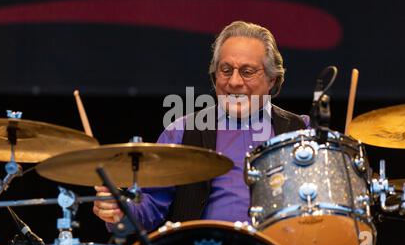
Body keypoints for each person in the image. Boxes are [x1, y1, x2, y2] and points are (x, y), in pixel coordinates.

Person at [93, 20, 309, 232]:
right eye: (226, 70)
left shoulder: (300, 131)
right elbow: (148, 207)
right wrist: (120, 210)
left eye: (247, 71)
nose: (234, 82)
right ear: (215, 75)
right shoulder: (181, 131)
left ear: (272, 79)